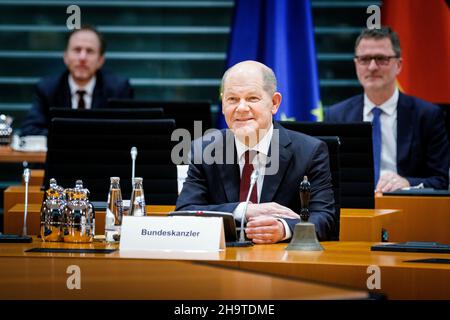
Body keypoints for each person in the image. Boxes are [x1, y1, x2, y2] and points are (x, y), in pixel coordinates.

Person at [176, 60, 336, 244]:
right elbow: (184, 212)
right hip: (222, 261)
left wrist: (284, 229)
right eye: (232, 99)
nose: (241, 108)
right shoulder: (204, 149)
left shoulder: (310, 152)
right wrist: (244, 210)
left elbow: (325, 219)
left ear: (274, 103)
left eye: (252, 98)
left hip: (282, 264)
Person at [325, 27, 450, 192]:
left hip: (408, 209)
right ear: (356, 64)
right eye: (364, 59)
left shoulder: (427, 116)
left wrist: (407, 182)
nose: (372, 67)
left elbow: (441, 180)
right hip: (355, 209)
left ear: (399, 65)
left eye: (381, 59)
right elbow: (326, 179)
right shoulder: (336, 115)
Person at [20, 26, 133, 136]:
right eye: (77, 50)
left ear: (100, 60)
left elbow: (128, 132)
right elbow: (29, 129)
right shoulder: (47, 88)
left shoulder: (118, 89)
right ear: (65, 56)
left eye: (90, 51)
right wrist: (71, 141)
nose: (82, 57)